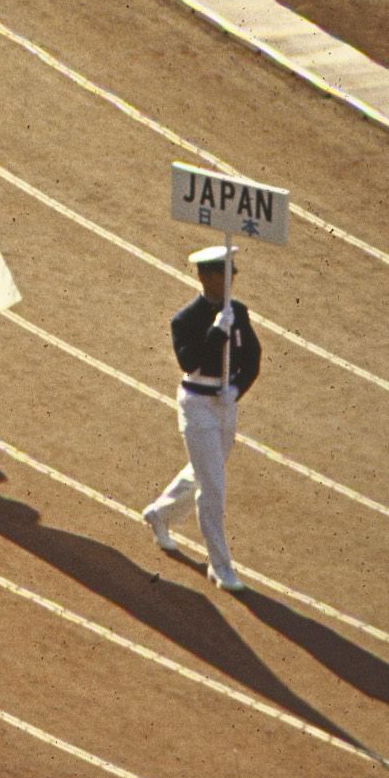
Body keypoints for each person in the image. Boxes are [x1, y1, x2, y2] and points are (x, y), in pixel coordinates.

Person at [142, 245, 262, 592]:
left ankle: (161, 514)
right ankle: (220, 567)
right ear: (207, 276)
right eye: (227, 273)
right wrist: (217, 333)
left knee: (204, 470)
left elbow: (253, 358)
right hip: (197, 404)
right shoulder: (185, 319)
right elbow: (188, 361)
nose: (233, 278)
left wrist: (237, 388)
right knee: (213, 488)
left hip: (225, 402)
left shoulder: (237, 311)